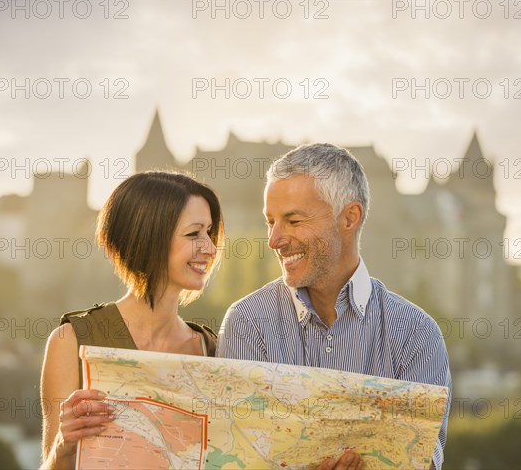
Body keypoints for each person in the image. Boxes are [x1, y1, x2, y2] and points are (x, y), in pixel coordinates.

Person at [217, 143, 451, 470]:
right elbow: (236, 457)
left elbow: (423, 463)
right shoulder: (248, 323)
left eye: (293, 220)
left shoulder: (417, 334)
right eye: (270, 221)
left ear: (349, 218)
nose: (274, 239)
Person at [40, 171, 224, 469]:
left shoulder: (213, 349)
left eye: (209, 232)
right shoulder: (70, 341)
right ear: (148, 238)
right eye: (194, 234)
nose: (210, 248)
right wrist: (64, 444)